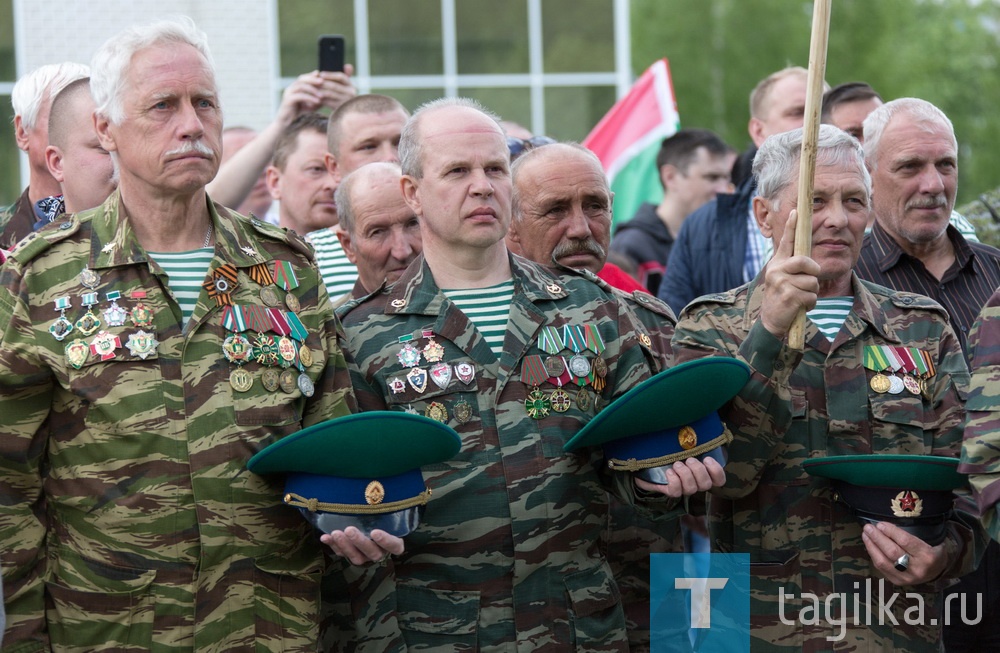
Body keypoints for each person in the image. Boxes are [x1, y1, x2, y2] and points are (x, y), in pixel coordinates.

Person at [0, 18, 355, 650]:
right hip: (109, 630)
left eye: (205, 104)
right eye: (162, 106)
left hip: (271, 627)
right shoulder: (42, 277)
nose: (191, 124)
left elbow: (331, 444)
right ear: (105, 129)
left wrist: (359, 514)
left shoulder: (288, 267)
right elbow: (10, 489)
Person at [329, 97, 722, 651]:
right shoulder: (359, 334)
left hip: (578, 625)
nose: (483, 186)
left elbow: (638, 464)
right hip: (435, 629)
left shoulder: (592, 308)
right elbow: (348, 493)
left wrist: (664, 478)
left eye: (494, 169)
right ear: (412, 191)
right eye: (458, 171)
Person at [672, 125, 984, 650]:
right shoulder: (709, 328)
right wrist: (769, 335)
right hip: (759, 629)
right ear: (764, 216)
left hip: (894, 627)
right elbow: (725, 476)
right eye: (814, 200)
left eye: (853, 201)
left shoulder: (922, 327)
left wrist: (947, 552)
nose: (837, 218)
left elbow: (971, 471)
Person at [508, 140, 688, 652]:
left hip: (651, 604)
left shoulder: (653, 320)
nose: (581, 227)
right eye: (555, 211)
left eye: (594, 206)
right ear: (510, 226)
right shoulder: (489, 331)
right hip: (539, 617)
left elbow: (704, 501)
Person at [854, 97, 1000, 651]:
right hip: (893, 573)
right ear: (868, 176)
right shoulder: (842, 288)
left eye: (946, 164)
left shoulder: (996, 274)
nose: (933, 184)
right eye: (910, 167)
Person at [659, 66, 825, 315]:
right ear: (759, 130)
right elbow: (674, 326)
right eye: (798, 112)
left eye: (823, 111)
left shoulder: (860, 218)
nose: (815, 123)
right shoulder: (702, 227)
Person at [206, 69, 356, 220]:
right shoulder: (227, 239)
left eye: (337, 170)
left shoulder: (355, 239)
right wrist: (282, 123)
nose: (262, 171)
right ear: (275, 180)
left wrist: (353, 116)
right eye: (316, 169)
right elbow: (206, 209)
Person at [307, 94, 410, 299]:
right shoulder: (306, 258)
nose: (390, 157)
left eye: (400, 143)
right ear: (333, 167)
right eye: (368, 146)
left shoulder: (449, 240)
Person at [610, 129, 734, 296]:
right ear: (670, 177)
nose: (723, 190)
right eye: (711, 178)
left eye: (726, 178)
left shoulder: (722, 239)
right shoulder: (631, 246)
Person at [0, 62, 89, 248]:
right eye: (60, 117)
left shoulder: (132, 225)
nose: (83, 130)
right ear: (23, 131)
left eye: (90, 118)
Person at [333, 161, 421, 302]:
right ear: (348, 246)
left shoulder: (463, 307)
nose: (402, 251)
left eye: (413, 224)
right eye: (378, 232)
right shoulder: (332, 323)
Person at [42, 77, 116, 217]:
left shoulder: (163, 237)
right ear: (57, 162)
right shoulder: (17, 237)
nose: (124, 162)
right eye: (105, 150)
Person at [264, 112, 339, 238]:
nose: (333, 184)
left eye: (340, 172)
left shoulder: (375, 256)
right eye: (316, 169)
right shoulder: (245, 254)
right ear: (275, 182)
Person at [219, 126, 276, 220]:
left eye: (265, 158)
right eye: (244, 162)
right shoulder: (201, 233)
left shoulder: (291, 232)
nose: (263, 171)